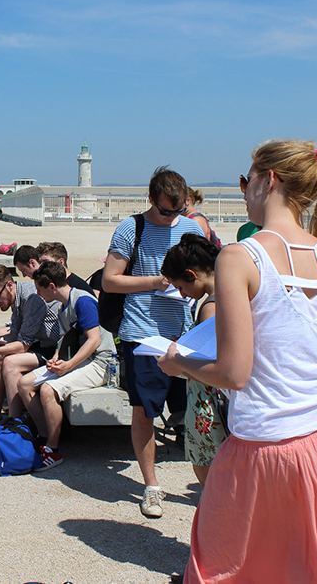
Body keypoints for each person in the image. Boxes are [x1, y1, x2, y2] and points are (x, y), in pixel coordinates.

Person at [158, 141, 317, 582]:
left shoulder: (239, 256)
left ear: (270, 180)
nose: (245, 191)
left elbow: (234, 372)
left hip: (268, 443)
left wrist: (178, 364)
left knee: (234, 565)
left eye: (247, 181)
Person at [102, 166, 204, 518]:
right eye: (165, 211)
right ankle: (151, 486)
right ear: (150, 200)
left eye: (178, 210)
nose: (172, 217)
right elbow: (110, 281)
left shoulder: (191, 228)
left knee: (197, 410)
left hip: (186, 331)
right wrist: (154, 283)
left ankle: (208, 483)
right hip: (142, 333)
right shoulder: (132, 228)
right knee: (145, 411)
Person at [17, 261, 114, 471]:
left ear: (52, 286)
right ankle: (45, 437)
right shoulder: (63, 306)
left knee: (47, 390)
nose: (38, 294)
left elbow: (94, 340)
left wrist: (68, 365)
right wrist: (55, 358)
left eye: (40, 289)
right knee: (24, 384)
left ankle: (53, 451)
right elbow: (64, 340)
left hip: (101, 362)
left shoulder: (83, 301)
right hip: (81, 359)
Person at [160, 234, 226, 487]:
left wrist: (176, 361)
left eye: (180, 286)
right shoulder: (231, 294)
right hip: (221, 399)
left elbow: (213, 359)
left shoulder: (210, 305)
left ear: (192, 274)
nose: (182, 293)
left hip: (209, 401)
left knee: (209, 473)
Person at [0, 264, 60, 434]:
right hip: (40, 343)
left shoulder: (31, 298)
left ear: (9, 285)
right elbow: (16, 334)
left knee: (9, 361)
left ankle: (15, 421)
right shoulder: (16, 297)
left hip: (54, 349)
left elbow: (22, 345)